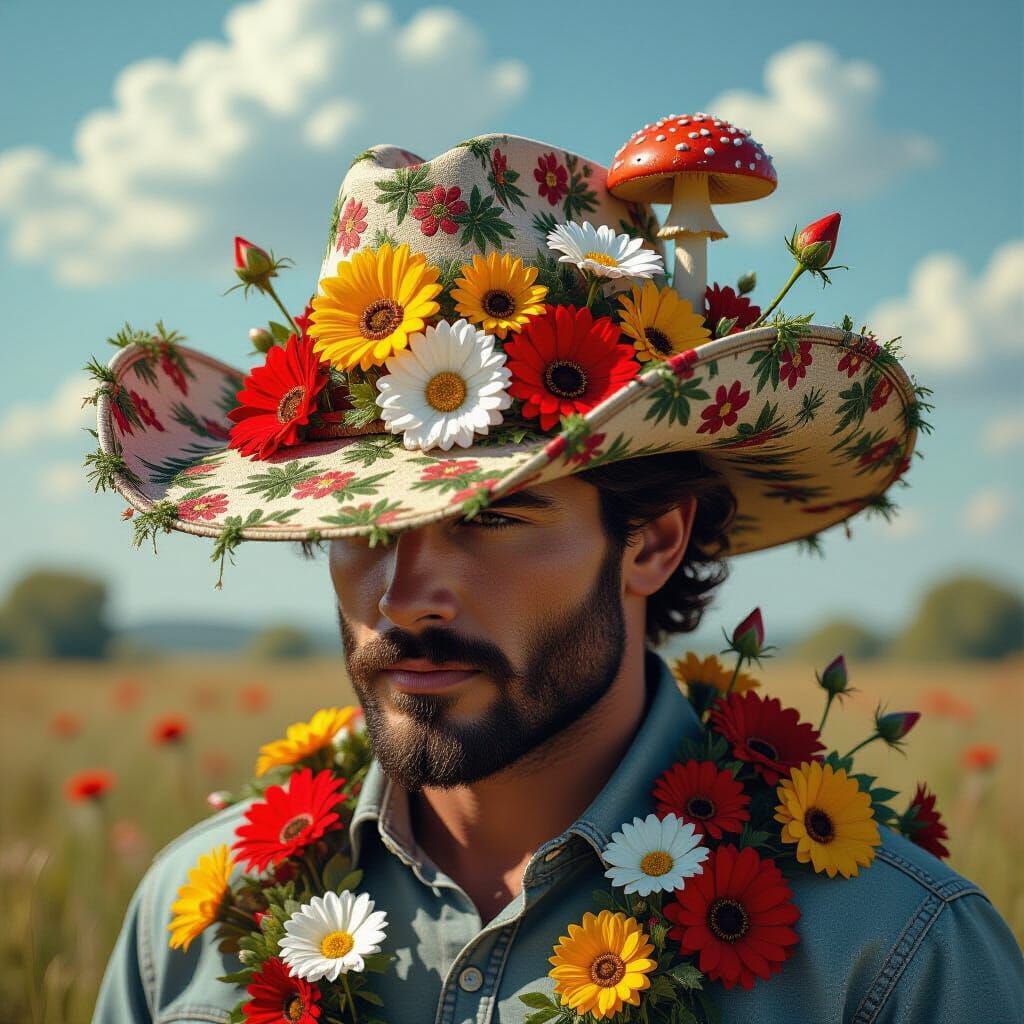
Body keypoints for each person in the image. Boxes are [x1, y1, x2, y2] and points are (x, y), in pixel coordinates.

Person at [88, 130, 1023, 1022]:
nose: (405, 595)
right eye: (362, 524)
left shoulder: (889, 954)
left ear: (653, 543)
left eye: (493, 518)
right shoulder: (201, 911)